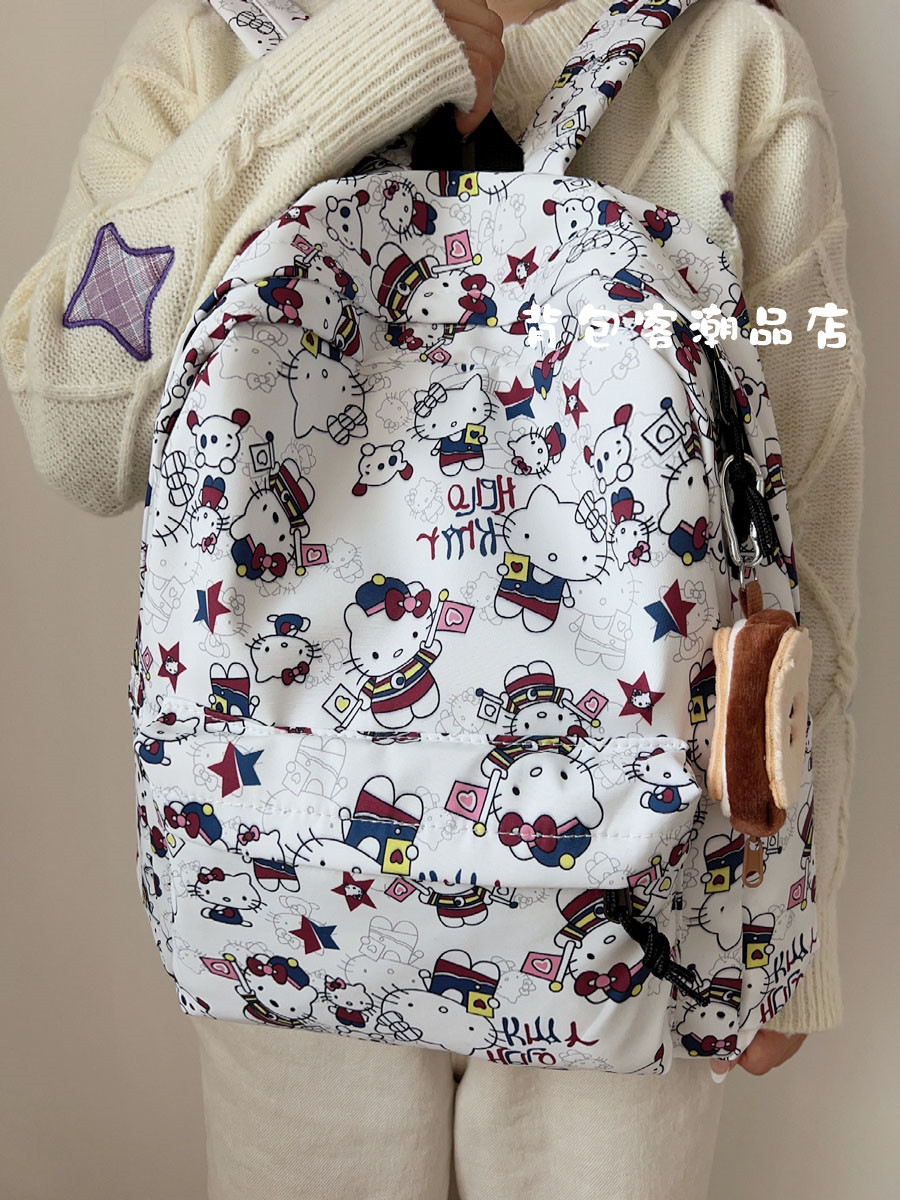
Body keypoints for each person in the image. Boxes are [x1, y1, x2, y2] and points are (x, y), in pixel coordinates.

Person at [0, 0, 863, 1197]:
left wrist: (786, 925)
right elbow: (74, 426)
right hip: (284, 882)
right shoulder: (204, 43)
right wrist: (343, 72)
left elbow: (806, 520)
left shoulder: (729, 62)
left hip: (640, 874)